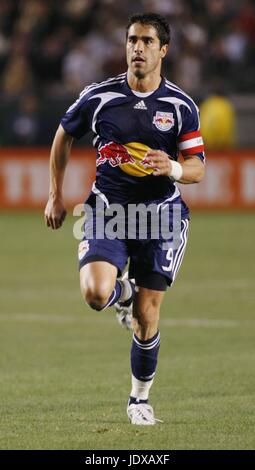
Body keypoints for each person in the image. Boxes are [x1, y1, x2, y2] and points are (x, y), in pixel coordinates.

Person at [44, 12, 205, 425]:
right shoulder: (98, 96)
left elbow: (197, 168)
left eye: (147, 41)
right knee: (97, 294)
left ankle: (139, 399)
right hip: (107, 212)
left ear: (163, 50)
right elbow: (65, 134)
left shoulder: (180, 105)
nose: (137, 47)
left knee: (147, 316)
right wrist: (54, 195)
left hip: (161, 217)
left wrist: (171, 167)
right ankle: (124, 293)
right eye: (132, 39)